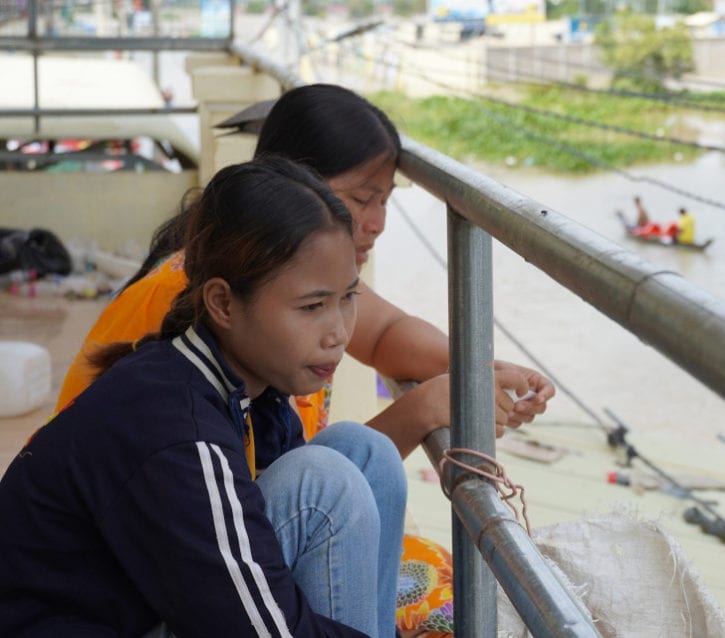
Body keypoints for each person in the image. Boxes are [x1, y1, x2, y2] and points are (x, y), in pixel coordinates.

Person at [0, 156, 405, 637]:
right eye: (313, 306)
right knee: (322, 483)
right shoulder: (178, 432)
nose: (338, 332)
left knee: (365, 453)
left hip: (149, 606)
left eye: (348, 297)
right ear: (222, 303)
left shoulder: (250, 391)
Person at [55, 83, 554, 458]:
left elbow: (385, 335)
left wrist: (481, 372)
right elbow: (274, 507)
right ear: (295, 187)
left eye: (386, 201)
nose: (377, 224)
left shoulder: (260, 264)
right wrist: (421, 410)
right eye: (362, 200)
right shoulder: (185, 300)